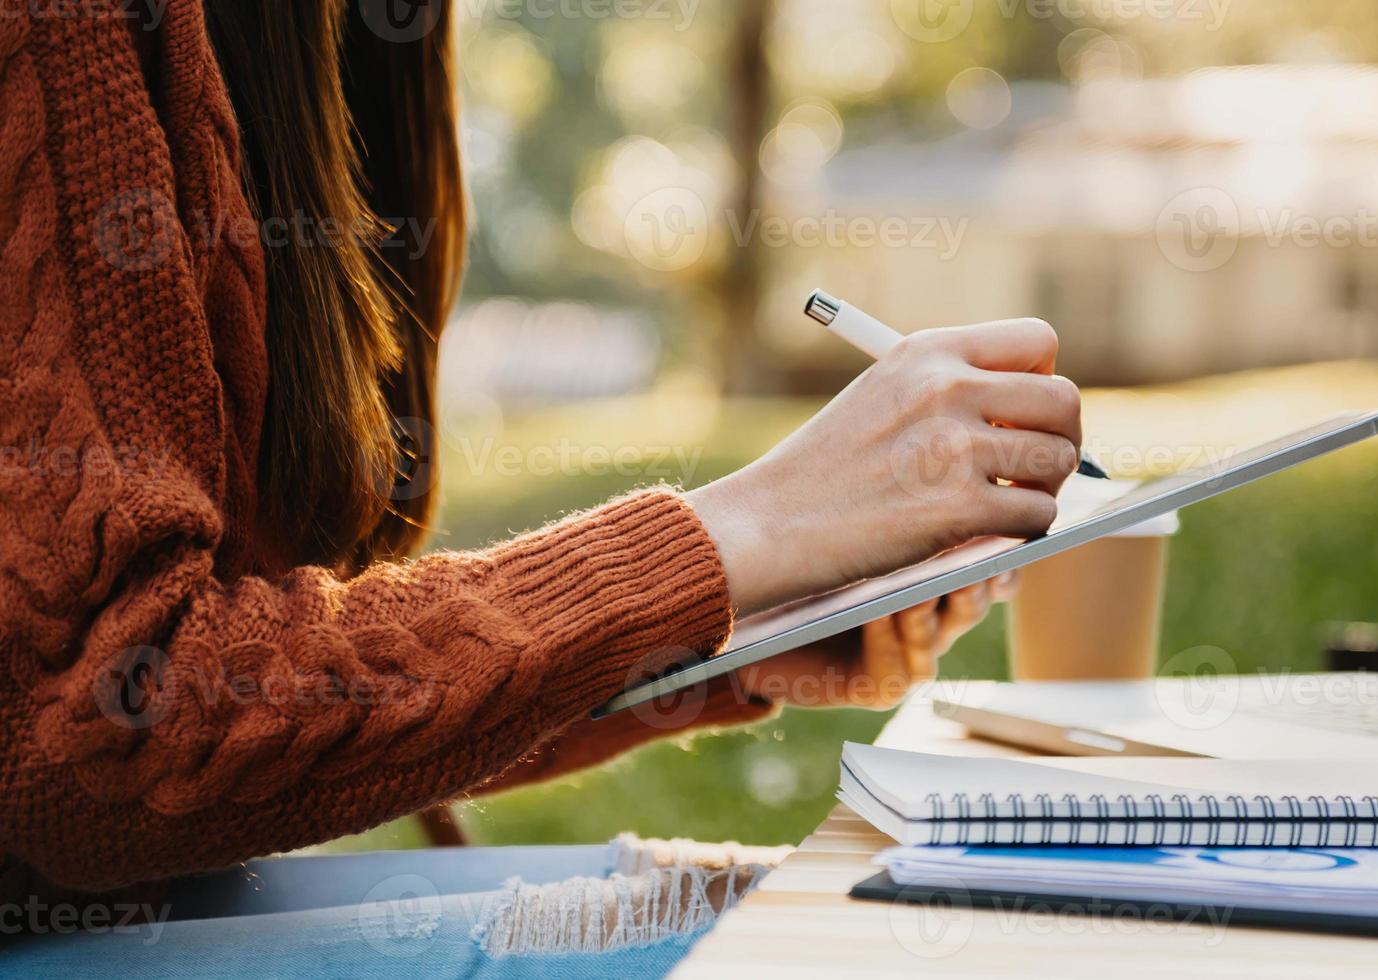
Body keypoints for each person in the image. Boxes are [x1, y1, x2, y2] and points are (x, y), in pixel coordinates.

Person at [0, 0, 1083, 956]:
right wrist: (746, 524)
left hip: (159, 905)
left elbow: (285, 711)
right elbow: (104, 734)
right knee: (892, 944)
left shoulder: (343, 45)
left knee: (926, 916)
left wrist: (736, 631)